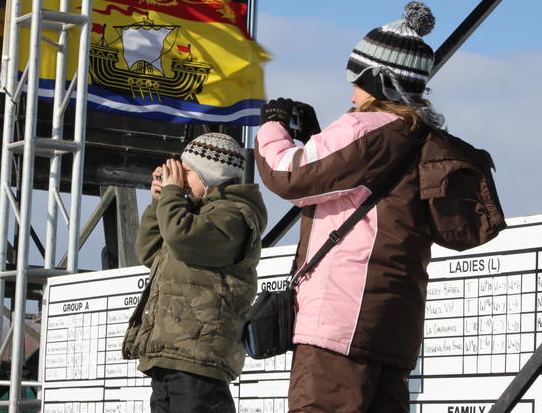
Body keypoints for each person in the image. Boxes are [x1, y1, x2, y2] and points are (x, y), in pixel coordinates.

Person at [255, 2, 446, 412]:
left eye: (356, 77)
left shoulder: (364, 128)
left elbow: (288, 175)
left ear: (379, 79)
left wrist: (271, 123)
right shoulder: (419, 137)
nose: (351, 91)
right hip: (392, 327)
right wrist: (317, 135)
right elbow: (364, 191)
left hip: (340, 323)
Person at [122, 133, 267, 413]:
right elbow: (151, 251)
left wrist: (172, 195)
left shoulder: (234, 216)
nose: (181, 180)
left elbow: (181, 237)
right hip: (169, 354)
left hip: (200, 358)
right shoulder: (194, 214)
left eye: (186, 172)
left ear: (211, 174)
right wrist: (159, 203)